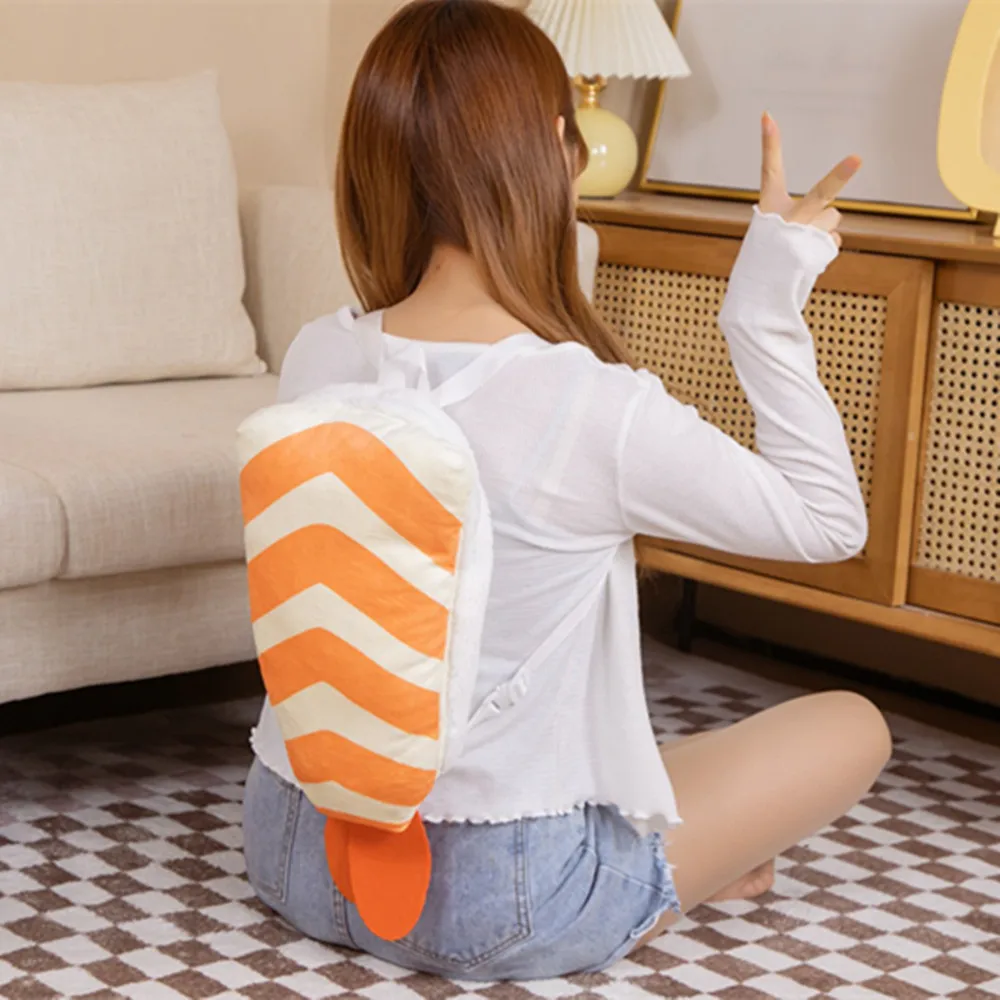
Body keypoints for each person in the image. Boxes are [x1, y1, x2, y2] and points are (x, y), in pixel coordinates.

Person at [242, 0, 892, 980]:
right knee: (852, 724)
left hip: (291, 846)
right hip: (494, 902)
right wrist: (763, 311)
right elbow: (828, 521)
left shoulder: (317, 354)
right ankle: (647, 886)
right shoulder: (590, 404)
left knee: (656, 766)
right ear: (556, 148)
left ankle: (663, 860)